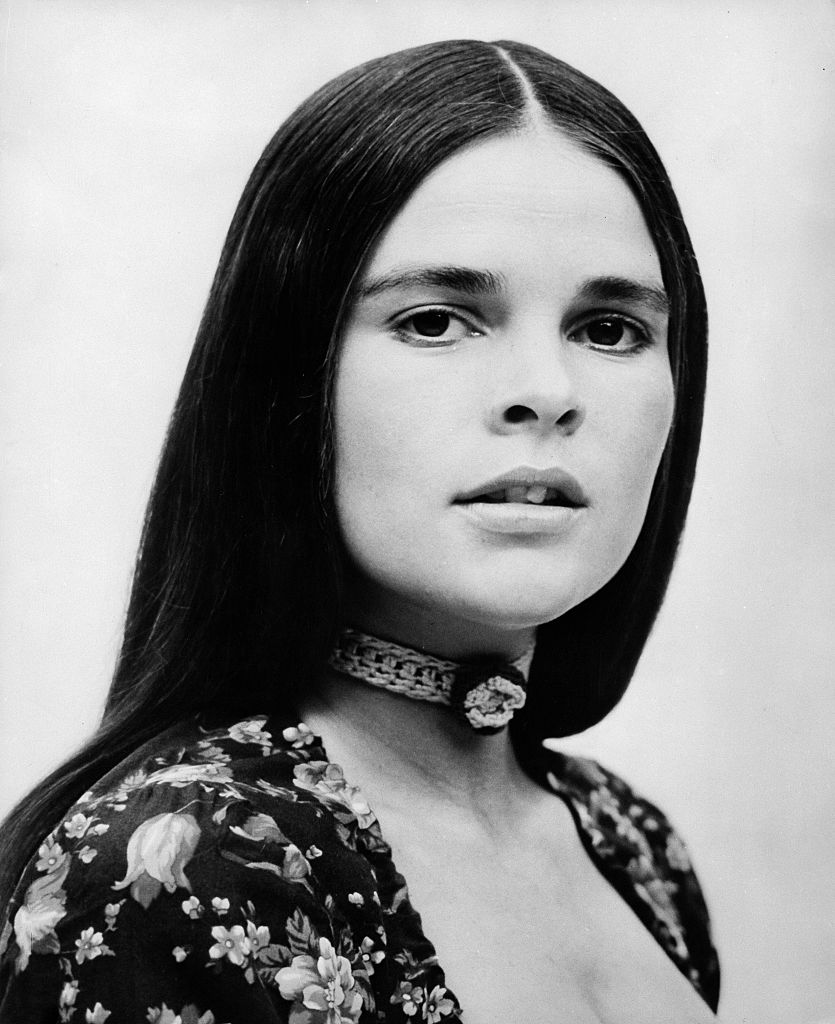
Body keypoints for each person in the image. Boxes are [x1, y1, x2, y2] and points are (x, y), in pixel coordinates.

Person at [0, 38, 720, 1023]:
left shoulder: (633, 844)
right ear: (288, 379)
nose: (546, 392)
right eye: (435, 320)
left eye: (608, 330)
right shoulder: (178, 864)